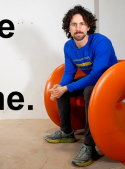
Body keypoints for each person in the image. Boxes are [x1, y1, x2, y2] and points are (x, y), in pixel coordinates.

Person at [44, 5, 118, 167]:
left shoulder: (101, 42)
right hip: (91, 80)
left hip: (111, 82)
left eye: (82, 24)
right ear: (68, 28)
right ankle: (66, 132)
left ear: (89, 26)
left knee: (90, 91)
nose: (78, 28)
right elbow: (69, 73)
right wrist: (59, 88)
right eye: (74, 24)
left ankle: (90, 146)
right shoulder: (69, 46)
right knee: (63, 91)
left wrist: (66, 87)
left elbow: (98, 75)